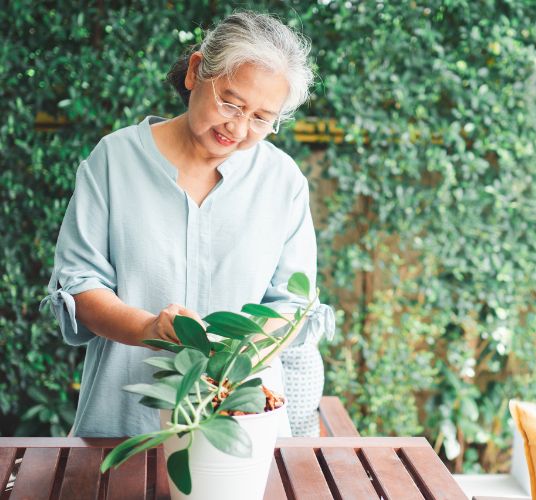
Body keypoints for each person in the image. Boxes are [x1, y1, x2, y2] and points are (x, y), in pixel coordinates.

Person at [40, 11, 333, 438]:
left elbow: (290, 304)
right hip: (125, 424)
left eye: (261, 117)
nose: (238, 126)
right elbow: (80, 286)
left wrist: (232, 356)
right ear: (197, 71)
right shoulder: (114, 160)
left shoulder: (282, 181)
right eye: (230, 103)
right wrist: (149, 329)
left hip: (242, 427)